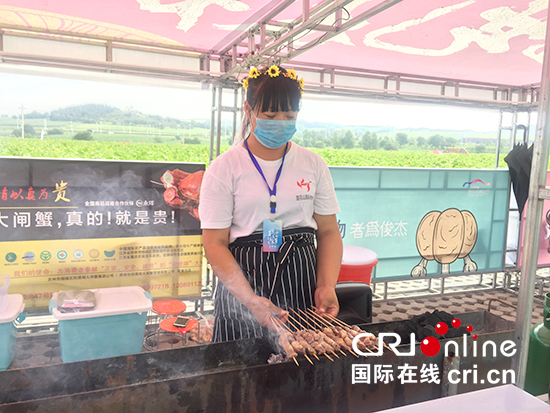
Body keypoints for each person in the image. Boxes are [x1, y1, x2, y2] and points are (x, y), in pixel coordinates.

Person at [199, 65, 343, 342]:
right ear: (248, 109)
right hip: (242, 281)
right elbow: (214, 243)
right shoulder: (224, 168)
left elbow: (327, 231)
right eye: (270, 115)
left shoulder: (312, 164)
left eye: (289, 115)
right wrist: (251, 300)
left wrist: (326, 285)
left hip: (300, 278)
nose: (280, 122)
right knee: (238, 370)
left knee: (299, 359)